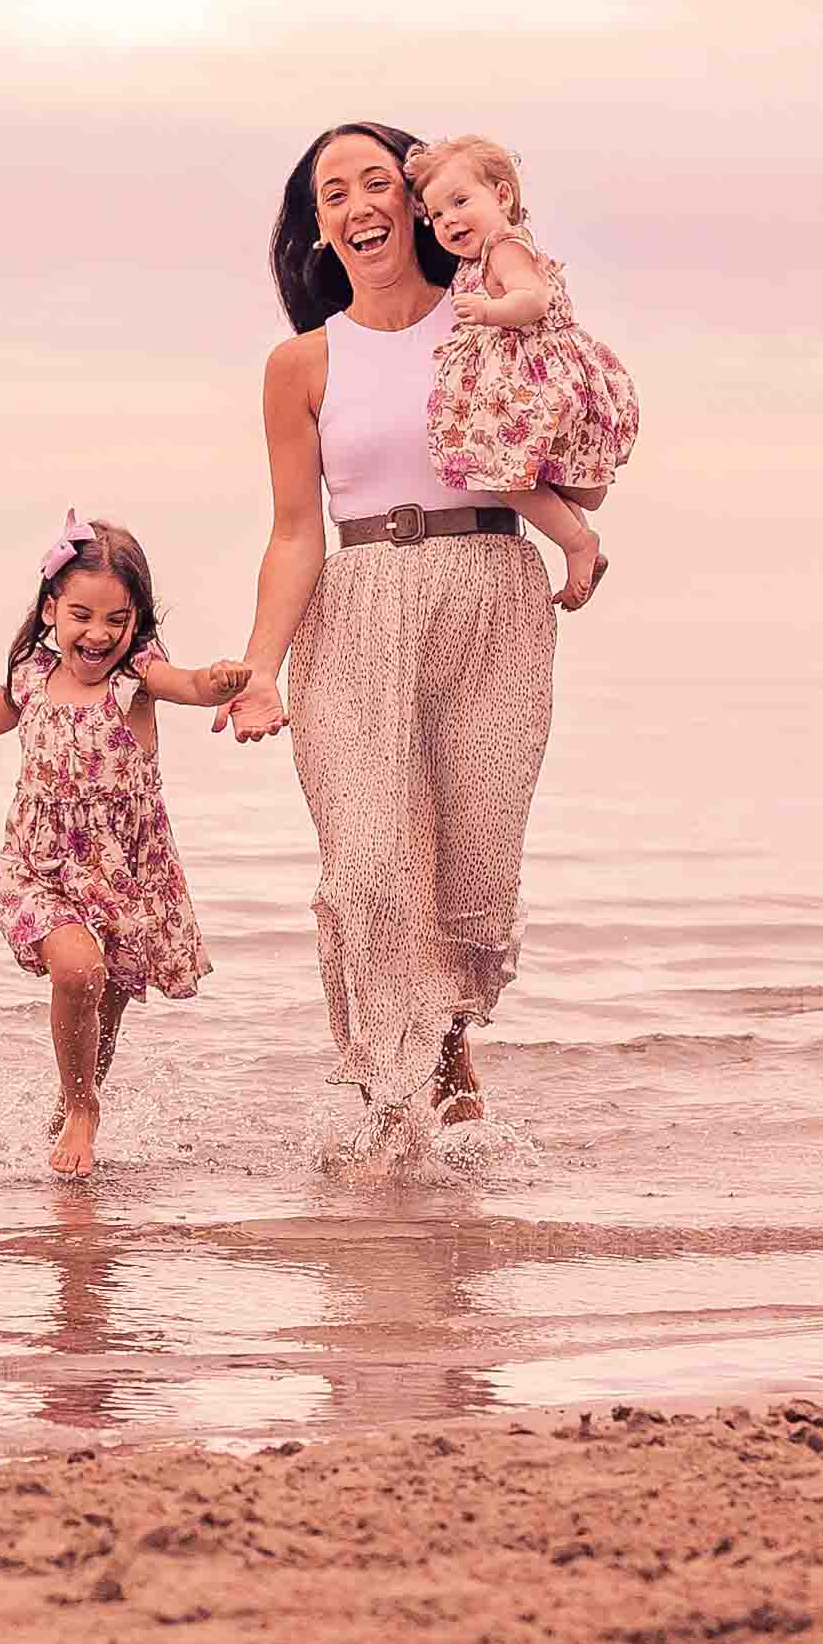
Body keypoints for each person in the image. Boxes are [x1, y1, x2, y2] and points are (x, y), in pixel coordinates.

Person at [217, 123, 595, 1130]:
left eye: (376, 183)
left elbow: (580, 457)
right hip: (355, 610)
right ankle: (394, 1103)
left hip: (492, 604)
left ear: (418, 204)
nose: (357, 206)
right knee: (373, 861)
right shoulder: (298, 364)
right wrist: (260, 669)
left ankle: (446, 1048)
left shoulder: (488, 319)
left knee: (468, 865)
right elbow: (296, 532)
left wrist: (576, 524)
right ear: (316, 228)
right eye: (332, 193)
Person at [0, 513, 246, 1176]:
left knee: (101, 1014)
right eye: (81, 614)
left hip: (123, 877)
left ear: (136, 620)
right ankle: (84, 1110)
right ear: (51, 608)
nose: (99, 633)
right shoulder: (31, 673)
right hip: (41, 870)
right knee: (77, 971)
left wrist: (221, 680)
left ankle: (69, 1104)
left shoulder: (141, 672)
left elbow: (191, 685)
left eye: (117, 618)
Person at [407, 132, 641, 614]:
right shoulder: (480, 258)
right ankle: (581, 542)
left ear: (503, 195)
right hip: (528, 383)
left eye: (459, 201)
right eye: (436, 216)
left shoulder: (504, 246)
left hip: (537, 381)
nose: (448, 220)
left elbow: (533, 299)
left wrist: (489, 311)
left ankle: (576, 542)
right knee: (528, 473)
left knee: (504, 476)